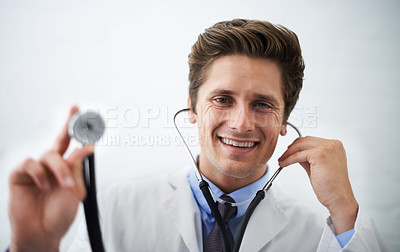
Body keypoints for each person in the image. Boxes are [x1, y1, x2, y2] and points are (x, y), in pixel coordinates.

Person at [7, 19, 387, 252]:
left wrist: (345, 211)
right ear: (191, 107)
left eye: (263, 105)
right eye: (222, 99)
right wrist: (33, 249)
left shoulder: (321, 238)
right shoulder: (113, 211)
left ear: (285, 118)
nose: (241, 123)